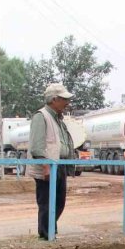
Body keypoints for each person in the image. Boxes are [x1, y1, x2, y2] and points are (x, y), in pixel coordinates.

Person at [27, 83, 74, 240]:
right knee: (47, 203)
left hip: (59, 165)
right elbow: (36, 147)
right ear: (54, 99)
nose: (67, 103)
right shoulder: (41, 116)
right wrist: (45, 166)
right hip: (48, 167)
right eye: (64, 99)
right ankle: (46, 235)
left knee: (59, 202)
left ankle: (50, 232)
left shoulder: (58, 119)